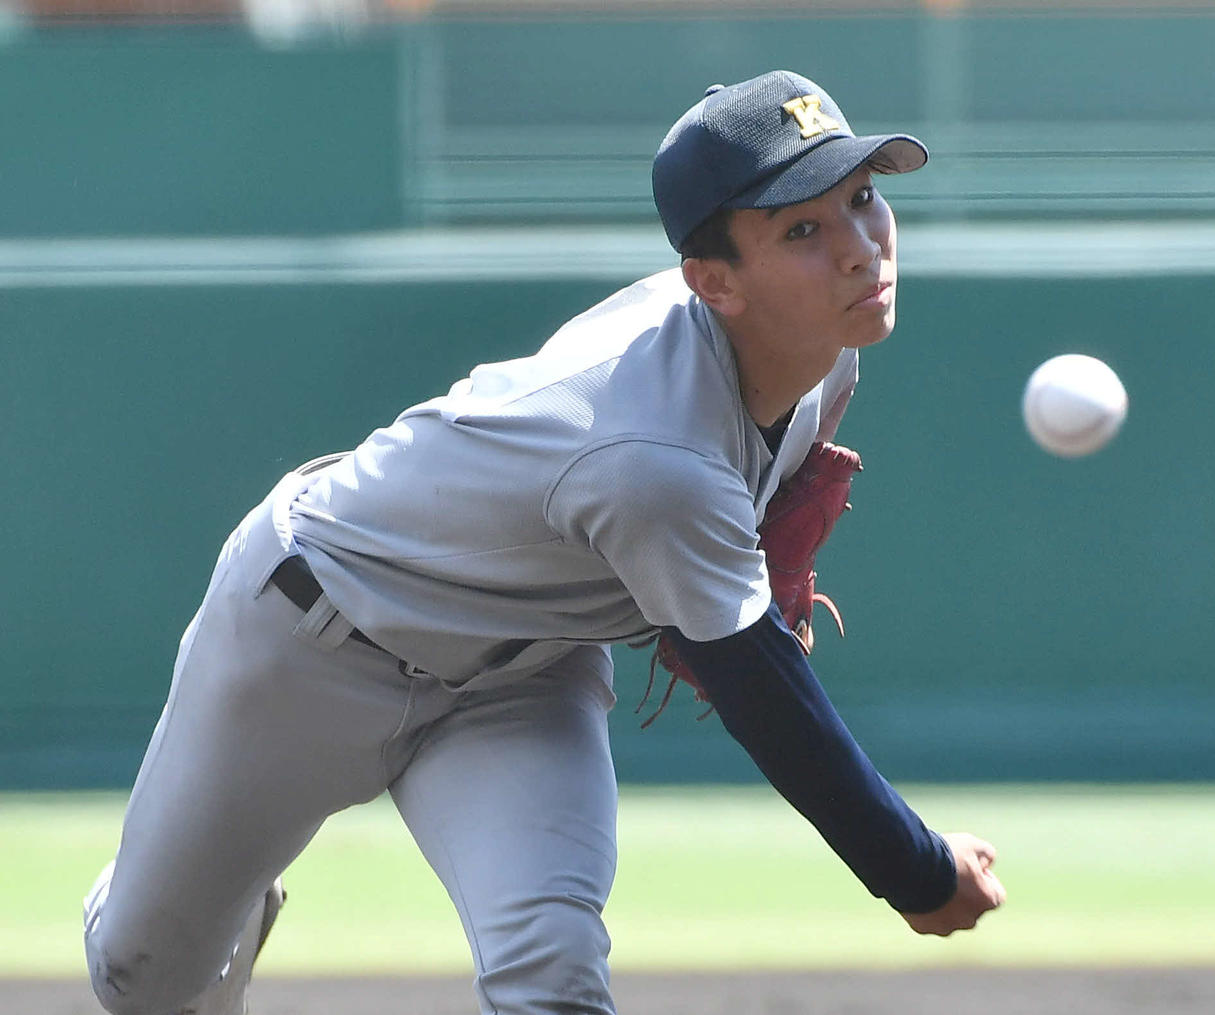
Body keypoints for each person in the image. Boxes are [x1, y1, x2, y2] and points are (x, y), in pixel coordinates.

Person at [83, 69, 1005, 1015]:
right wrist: (918, 869)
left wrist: (745, 578)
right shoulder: (653, 458)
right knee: (143, 979)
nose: (861, 248)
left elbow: (745, 574)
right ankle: (192, 884)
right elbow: (764, 694)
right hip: (309, 638)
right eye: (803, 230)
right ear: (713, 281)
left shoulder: (826, 354)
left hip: (522, 677)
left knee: (552, 968)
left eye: (863, 198)